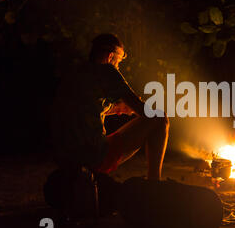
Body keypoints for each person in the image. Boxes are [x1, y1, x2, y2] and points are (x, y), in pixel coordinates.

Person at [47, 34, 169, 217]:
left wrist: (116, 109)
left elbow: (84, 106)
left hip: (63, 157)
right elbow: (144, 112)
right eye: (118, 61)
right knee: (160, 118)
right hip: (92, 155)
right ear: (111, 56)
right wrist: (136, 106)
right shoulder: (106, 71)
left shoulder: (76, 72)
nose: (118, 66)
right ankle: (154, 185)